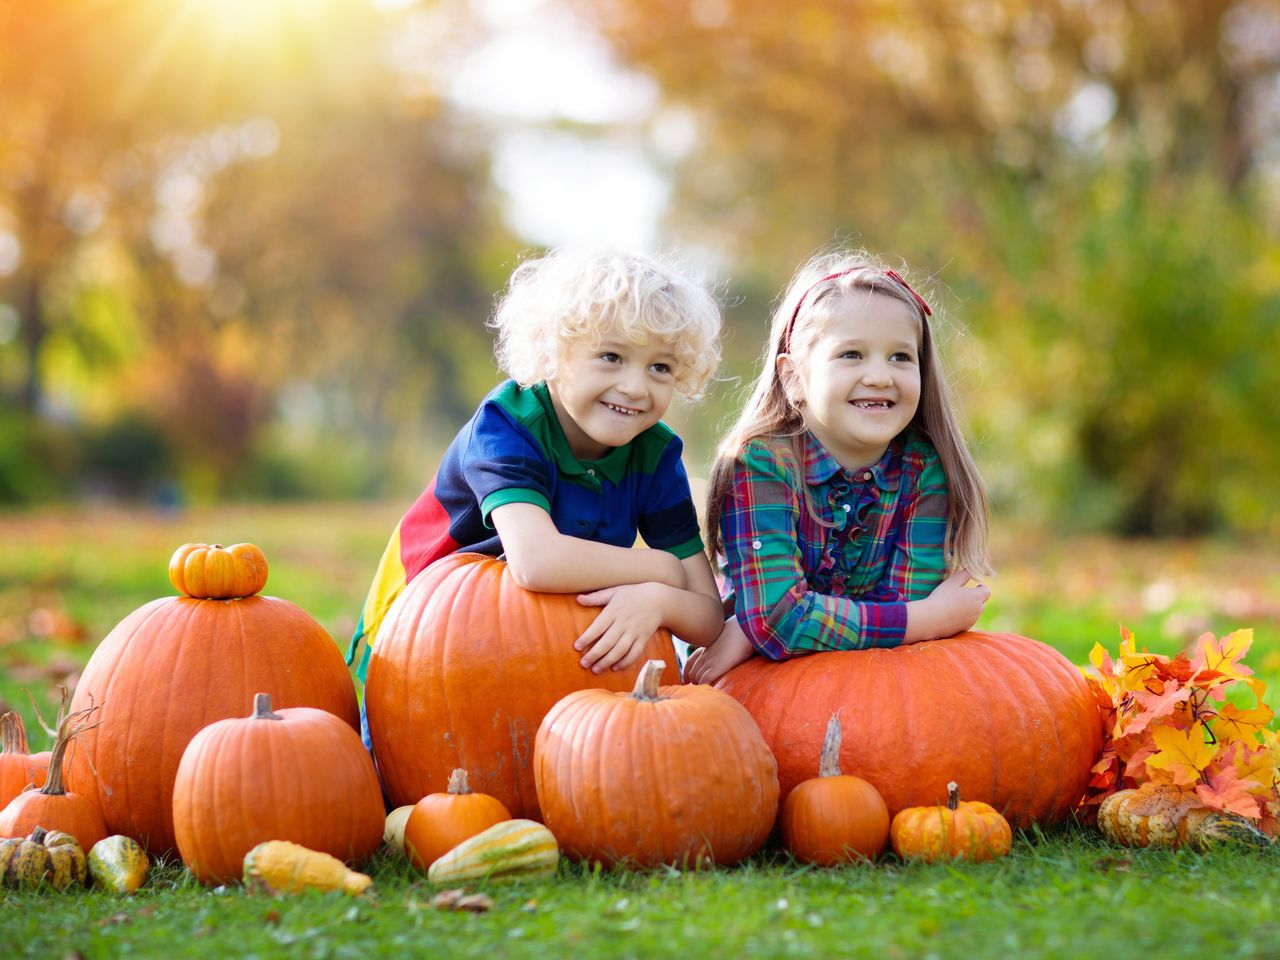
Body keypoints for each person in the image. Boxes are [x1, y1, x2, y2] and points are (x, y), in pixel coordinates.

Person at [347, 248, 727, 742]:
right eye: (611, 356)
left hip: (536, 654)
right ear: (552, 352)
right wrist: (661, 569)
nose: (635, 386)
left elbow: (708, 615)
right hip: (422, 653)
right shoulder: (508, 425)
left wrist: (660, 601)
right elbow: (537, 562)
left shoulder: (653, 455)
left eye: (660, 367)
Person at [684, 249, 993, 685]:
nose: (881, 376)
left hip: (871, 677)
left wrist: (786, 624)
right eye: (852, 354)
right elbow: (778, 619)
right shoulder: (761, 464)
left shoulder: (925, 469)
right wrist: (926, 619)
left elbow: (907, 597)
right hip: (747, 672)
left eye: (901, 357)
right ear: (794, 378)